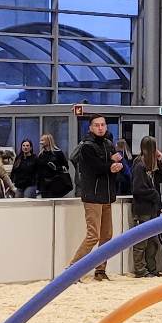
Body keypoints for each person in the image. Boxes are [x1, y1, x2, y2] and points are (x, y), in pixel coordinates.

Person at [70, 116, 116, 279]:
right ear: (90, 128)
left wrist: (115, 164)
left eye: (103, 125)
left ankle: (100, 270)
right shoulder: (87, 147)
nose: (100, 128)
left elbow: (108, 167)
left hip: (107, 195)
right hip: (92, 196)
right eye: (96, 125)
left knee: (107, 236)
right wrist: (111, 166)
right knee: (93, 235)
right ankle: (73, 269)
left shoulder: (108, 144)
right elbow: (94, 168)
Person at [128, 137, 162, 276]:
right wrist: (154, 195)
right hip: (143, 209)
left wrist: (159, 161)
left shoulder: (151, 165)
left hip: (152, 208)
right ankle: (140, 270)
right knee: (141, 241)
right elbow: (137, 189)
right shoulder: (139, 165)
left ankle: (151, 269)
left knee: (153, 241)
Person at [34, 134, 73, 198]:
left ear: (48, 141)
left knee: (54, 202)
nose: (40, 142)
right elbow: (39, 171)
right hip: (44, 184)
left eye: (42, 140)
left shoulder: (58, 153)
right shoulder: (41, 154)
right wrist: (38, 186)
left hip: (56, 182)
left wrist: (56, 168)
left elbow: (66, 167)